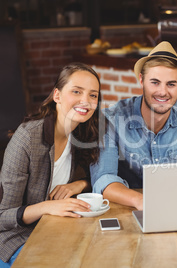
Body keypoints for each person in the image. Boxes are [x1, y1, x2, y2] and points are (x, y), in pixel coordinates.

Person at [90, 41, 177, 210]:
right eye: (155, 82)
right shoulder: (112, 119)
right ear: (141, 80)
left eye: (171, 84)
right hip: (125, 208)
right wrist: (141, 201)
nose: (163, 92)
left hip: (171, 207)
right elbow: (103, 180)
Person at [0, 62, 102, 266]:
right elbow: (4, 216)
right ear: (57, 95)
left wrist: (78, 185)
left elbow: (98, 176)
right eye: (76, 91)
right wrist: (47, 207)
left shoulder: (83, 133)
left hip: (59, 230)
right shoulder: (28, 138)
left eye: (93, 95)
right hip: (18, 238)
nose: (86, 101)